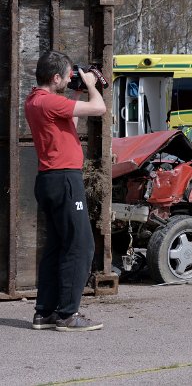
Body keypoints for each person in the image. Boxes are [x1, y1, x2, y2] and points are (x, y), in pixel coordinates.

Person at [24, 51, 106, 332]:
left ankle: (44, 312)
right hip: (65, 180)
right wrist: (92, 87)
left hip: (48, 179)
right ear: (56, 78)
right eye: (67, 76)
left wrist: (78, 90)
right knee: (81, 245)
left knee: (57, 246)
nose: (71, 79)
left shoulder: (34, 100)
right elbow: (99, 109)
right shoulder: (50, 102)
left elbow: (71, 121)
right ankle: (68, 314)